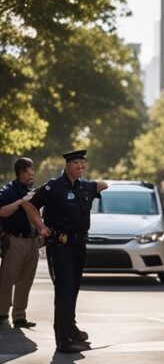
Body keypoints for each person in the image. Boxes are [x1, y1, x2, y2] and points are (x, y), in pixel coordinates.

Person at [22, 150, 109, 353]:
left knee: (74, 289)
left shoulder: (85, 186)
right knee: (64, 290)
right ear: (67, 165)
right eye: (77, 163)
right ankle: (64, 340)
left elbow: (104, 185)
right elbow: (28, 203)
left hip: (79, 245)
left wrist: (98, 185)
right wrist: (41, 226)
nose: (81, 166)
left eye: (83, 163)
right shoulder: (54, 186)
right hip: (60, 246)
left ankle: (70, 328)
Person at [0, 158, 41, 330]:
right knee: (7, 279)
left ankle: (19, 317)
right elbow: (2, 212)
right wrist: (20, 202)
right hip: (14, 240)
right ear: (21, 173)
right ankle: (2, 315)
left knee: (26, 280)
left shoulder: (32, 191)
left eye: (32, 170)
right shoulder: (8, 191)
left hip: (32, 241)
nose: (32, 174)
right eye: (28, 171)